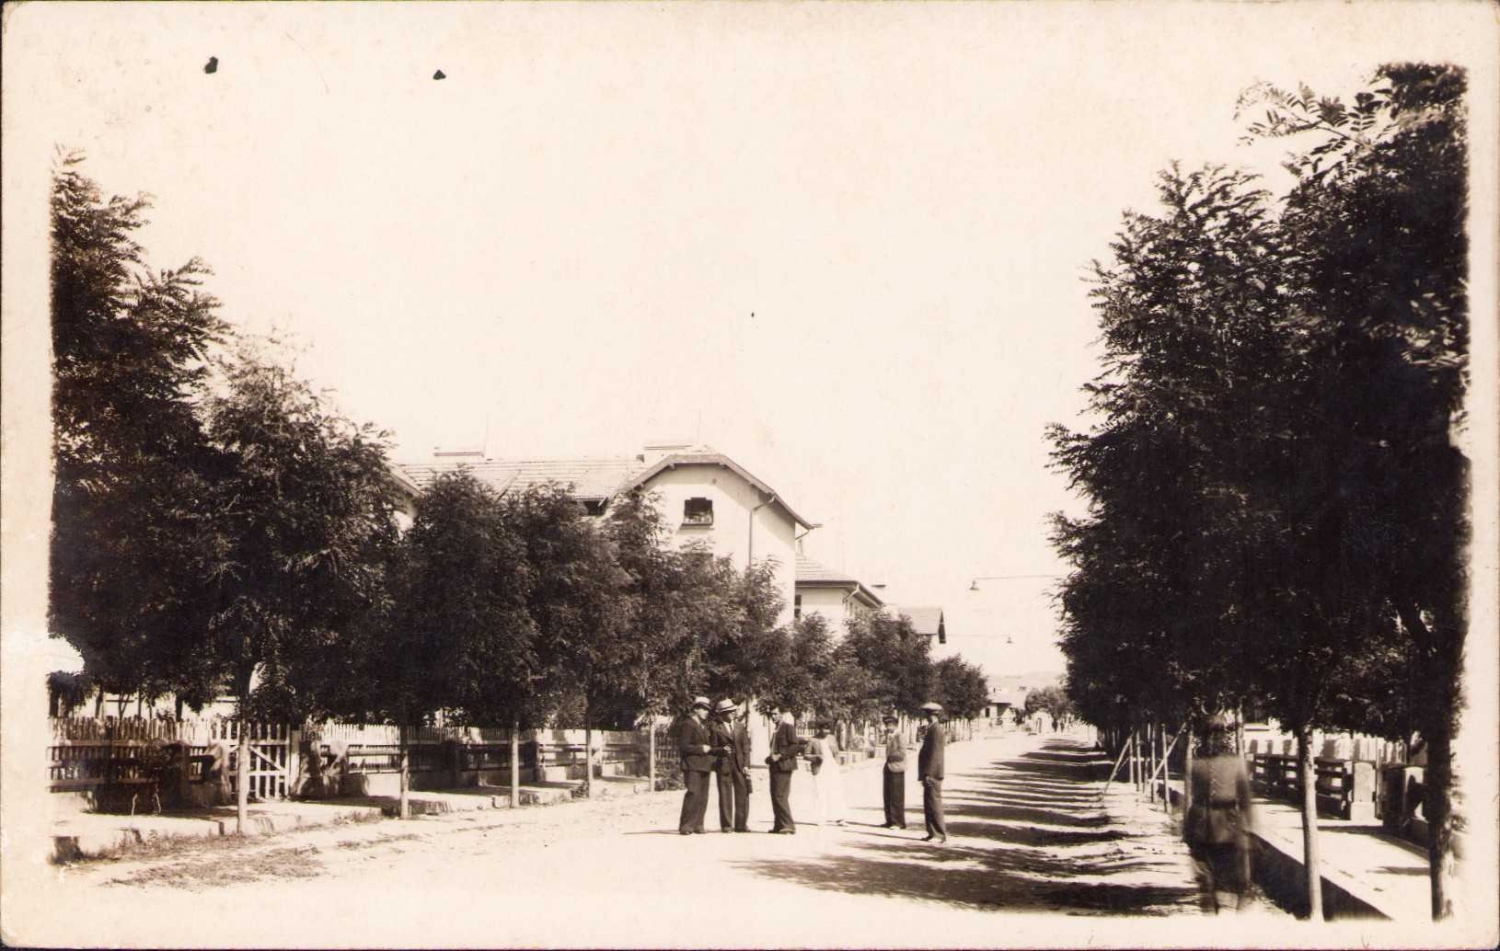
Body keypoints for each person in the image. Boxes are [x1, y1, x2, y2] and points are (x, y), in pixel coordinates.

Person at [1184, 715, 1254, 913]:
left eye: (1217, 734)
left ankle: (1227, 909)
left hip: (1228, 826)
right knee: (1205, 878)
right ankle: (1211, 907)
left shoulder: (1236, 764)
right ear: (1203, 737)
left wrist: (1248, 829)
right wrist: (1187, 829)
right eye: (1208, 734)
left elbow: (1246, 799)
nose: (1212, 739)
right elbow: (1192, 798)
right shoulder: (1196, 765)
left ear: (1225, 737)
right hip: (1201, 826)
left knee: (1229, 878)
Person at [709, 698, 752, 833]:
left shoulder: (740, 726)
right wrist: (721, 750)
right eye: (730, 711)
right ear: (722, 714)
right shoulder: (715, 728)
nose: (734, 713)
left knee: (743, 793)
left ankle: (741, 825)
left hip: (740, 765)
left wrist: (746, 765)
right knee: (725, 794)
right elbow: (712, 748)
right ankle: (727, 825)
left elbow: (746, 747)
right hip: (724, 765)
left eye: (734, 710)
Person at [678, 697, 714, 835]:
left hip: (704, 765)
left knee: (703, 796)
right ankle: (686, 825)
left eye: (707, 709)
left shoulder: (703, 725)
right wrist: (700, 748)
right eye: (703, 709)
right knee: (693, 793)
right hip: (692, 765)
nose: (706, 712)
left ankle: (698, 824)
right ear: (695, 709)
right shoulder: (688, 724)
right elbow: (683, 746)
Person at [766, 708, 805, 834]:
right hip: (774, 767)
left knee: (780, 795)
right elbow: (774, 749)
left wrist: (780, 756)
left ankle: (788, 825)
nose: (773, 716)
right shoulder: (775, 730)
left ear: (781, 714)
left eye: (775, 714)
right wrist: (770, 758)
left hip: (784, 766)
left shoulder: (788, 728)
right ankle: (778, 825)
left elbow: (794, 746)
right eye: (771, 714)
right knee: (774, 796)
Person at [917, 702, 946, 844]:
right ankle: (932, 832)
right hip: (930, 772)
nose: (926, 717)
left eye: (927, 714)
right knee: (929, 803)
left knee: (934, 804)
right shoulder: (932, 729)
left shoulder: (936, 730)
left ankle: (939, 834)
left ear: (933, 715)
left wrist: (929, 773)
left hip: (933, 773)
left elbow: (935, 754)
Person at [810, 722, 848, 826]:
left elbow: (836, 752)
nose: (826, 731)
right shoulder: (813, 740)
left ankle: (839, 818)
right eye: (824, 729)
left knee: (836, 792)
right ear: (820, 729)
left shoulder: (832, 738)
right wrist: (816, 757)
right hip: (820, 769)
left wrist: (838, 762)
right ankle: (821, 818)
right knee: (820, 793)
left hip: (832, 768)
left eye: (828, 729)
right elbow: (806, 754)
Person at [881, 714, 907, 829]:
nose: (887, 727)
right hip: (889, 767)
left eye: (889, 725)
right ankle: (890, 820)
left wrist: (890, 756)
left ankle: (898, 822)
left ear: (895, 725)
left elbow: (902, 753)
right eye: (886, 725)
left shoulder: (899, 736)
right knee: (888, 795)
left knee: (896, 797)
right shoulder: (890, 736)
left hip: (897, 768)